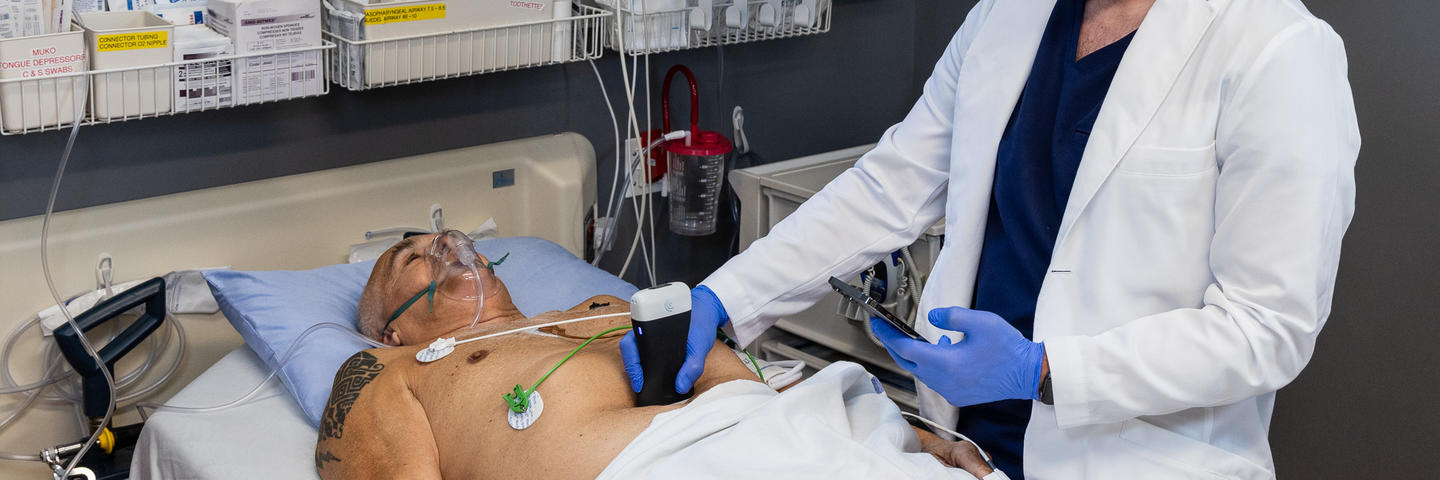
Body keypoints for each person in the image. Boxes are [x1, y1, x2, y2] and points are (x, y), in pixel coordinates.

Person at [622, 0, 1360, 477]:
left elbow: (1267, 329)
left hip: (1140, 460)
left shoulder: (1278, 51)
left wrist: (1043, 372)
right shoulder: (1010, 17)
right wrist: (727, 295)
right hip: (960, 449)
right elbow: (892, 184)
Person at [313, 232, 999, 479]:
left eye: (443, 235)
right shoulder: (391, 368)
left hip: (812, 437)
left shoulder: (604, 309)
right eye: (411, 257)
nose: (442, 245)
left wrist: (916, 438)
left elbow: (768, 387)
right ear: (390, 329)